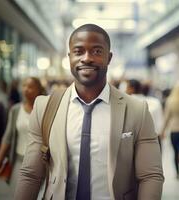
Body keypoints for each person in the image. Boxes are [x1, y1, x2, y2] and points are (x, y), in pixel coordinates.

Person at [14, 24, 164, 200]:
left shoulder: (137, 110)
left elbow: (150, 176)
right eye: (78, 51)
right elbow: (31, 174)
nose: (87, 58)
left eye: (97, 51)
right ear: (69, 57)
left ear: (109, 58)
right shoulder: (44, 107)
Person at [0, 77, 45, 192]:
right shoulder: (16, 110)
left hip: (40, 164)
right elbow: (7, 137)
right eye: (24, 86)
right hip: (19, 161)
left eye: (30, 87)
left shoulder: (45, 110)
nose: (26, 89)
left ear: (38, 89)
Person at [160, 83, 179, 183]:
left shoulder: (170, 101)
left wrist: (163, 130)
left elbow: (167, 117)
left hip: (174, 130)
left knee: (176, 153)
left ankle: (177, 173)